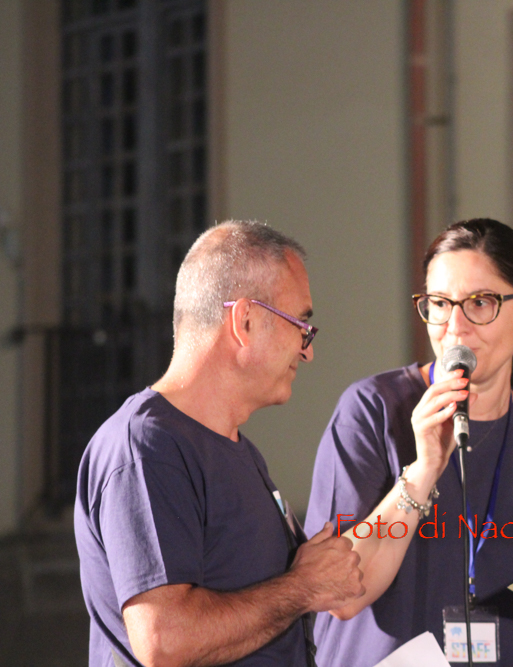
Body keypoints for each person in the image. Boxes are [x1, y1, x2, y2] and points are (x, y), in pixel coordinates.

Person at [305, 218, 513, 667]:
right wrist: (422, 472)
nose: (455, 327)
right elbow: (338, 595)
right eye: (439, 303)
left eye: (480, 303)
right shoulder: (373, 410)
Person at [74, 221, 365, 667]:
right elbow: (164, 642)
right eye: (301, 325)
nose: (307, 351)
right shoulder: (146, 448)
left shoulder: (238, 451)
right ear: (244, 321)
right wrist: (303, 586)